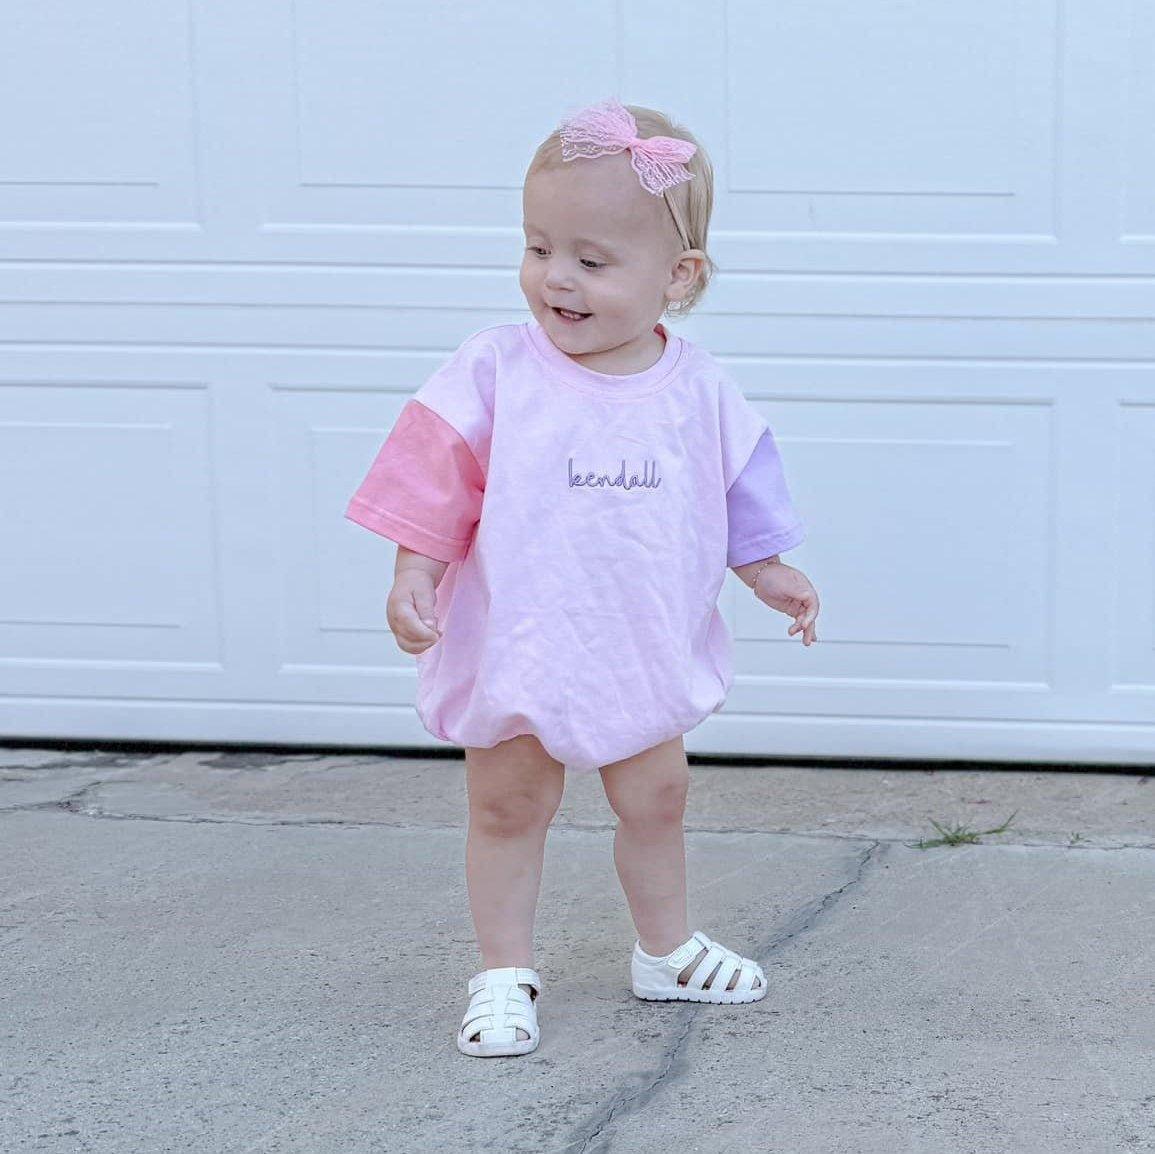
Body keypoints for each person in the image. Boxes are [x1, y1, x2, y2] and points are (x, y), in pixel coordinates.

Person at [344, 98, 821, 1058]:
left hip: (639, 645)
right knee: (509, 805)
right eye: (538, 247)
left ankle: (665, 948)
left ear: (677, 277)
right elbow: (433, 474)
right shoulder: (494, 371)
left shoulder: (698, 389)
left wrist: (766, 567)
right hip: (519, 642)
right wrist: (414, 568)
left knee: (657, 799)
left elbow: (739, 484)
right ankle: (502, 972)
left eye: (591, 261)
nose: (555, 278)